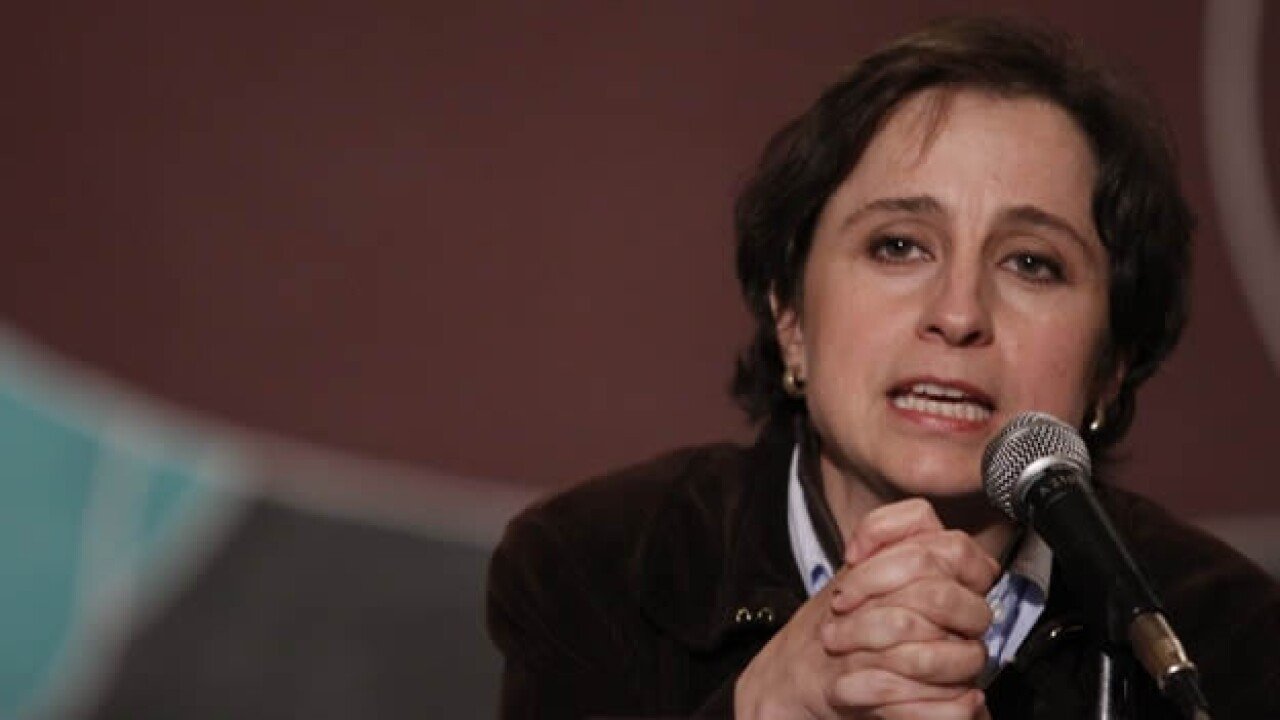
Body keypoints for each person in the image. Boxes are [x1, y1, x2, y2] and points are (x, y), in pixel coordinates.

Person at [487, 17, 1280, 719]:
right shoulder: (598, 568)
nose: (959, 314)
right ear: (790, 316)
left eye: (1031, 263)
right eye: (898, 246)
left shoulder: (1227, 640)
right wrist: (762, 710)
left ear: (1111, 364)